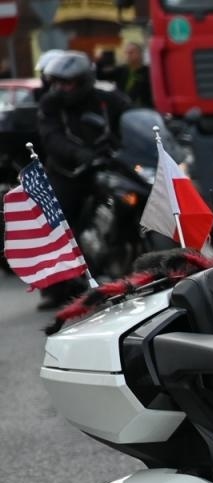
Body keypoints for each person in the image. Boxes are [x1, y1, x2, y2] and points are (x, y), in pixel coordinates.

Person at [34, 50, 129, 308]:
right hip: (69, 172)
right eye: (57, 82)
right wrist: (79, 154)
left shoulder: (107, 98)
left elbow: (131, 117)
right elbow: (52, 138)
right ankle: (56, 287)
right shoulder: (50, 104)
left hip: (110, 164)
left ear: (84, 80)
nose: (61, 88)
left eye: (67, 82)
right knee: (56, 223)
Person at [111, 41, 153, 109]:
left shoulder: (148, 72)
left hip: (142, 109)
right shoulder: (121, 70)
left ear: (140, 54)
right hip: (123, 108)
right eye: (126, 53)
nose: (128, 55)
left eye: (131, 52)